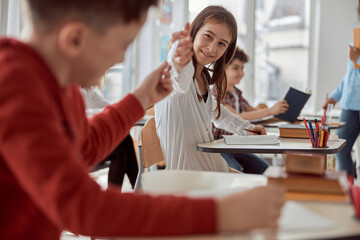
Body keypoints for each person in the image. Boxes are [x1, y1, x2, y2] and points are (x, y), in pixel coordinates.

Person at [155, 6, 267, 172]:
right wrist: (178, 59)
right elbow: (179, 78)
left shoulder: (203, 79)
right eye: (208, 36)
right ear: (194, 32)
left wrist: (246, 128)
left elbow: (218, 113)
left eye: (221, 44)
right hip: (189, 180)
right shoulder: (177, 74)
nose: (212, 48)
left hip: (213, 170)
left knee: (268, 183)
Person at [212, 47, 288, 173]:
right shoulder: (216, 93)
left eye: (242, 68)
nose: (241, 73)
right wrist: (269, 111)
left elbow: (254, 112)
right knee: (234, 170)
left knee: (265, 169)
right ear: (222, 68)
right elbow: (237, 116)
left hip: (233, 146)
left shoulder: (237, 93)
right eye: (235, 68)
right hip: (219, 147)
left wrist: (275, 112)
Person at [81, 87, 138, 189]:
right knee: (123, 142)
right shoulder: (68, 90)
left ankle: (134, 186)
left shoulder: (87, 90)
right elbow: (82, 116)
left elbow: (107, 107)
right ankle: (137, 185)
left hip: (89, 144)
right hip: (79, 150)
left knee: (122, 144)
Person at [322, 32, 360, 177]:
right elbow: (350, 76)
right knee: (340, 149)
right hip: (350, 106)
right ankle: (348, 191)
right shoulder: (356, 41)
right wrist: (335, 96)